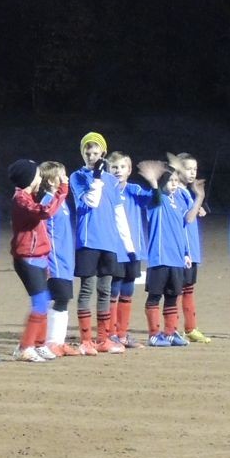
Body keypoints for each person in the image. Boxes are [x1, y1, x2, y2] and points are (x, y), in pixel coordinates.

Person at [69, 131, 125, 357]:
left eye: (95, 152)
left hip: (109, 241)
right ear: (82, 154)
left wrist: (126, 245)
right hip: (88, 240)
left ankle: (103, 338)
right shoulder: (78, 177)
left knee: (105, 290)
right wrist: (97, 178)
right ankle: (85, 340)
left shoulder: (112, 180)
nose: (91, 156)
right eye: (87, 152)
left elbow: (118, 212)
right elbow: (91, 201)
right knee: (87, 288)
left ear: (104, 152)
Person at [8, 158, 67, 362]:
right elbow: (46, 212)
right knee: (40, 302)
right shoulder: (21, 199)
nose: (40, 177)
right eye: (36, 174)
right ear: (28, 178)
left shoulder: (29, 196)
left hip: (39, 255)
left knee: (44, 301)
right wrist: (62, 190)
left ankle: (39, 344)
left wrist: (52, 192)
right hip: (27, 257)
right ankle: (25, 347)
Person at [134, 161, 192, 346]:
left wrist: (185, 253)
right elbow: (156, 197)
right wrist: (154, 182)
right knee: (155, 296)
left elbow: (182, 229)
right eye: (170, 180)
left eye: (176, 180)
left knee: (173, 297)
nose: (174, 183)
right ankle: (153, 334)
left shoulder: (178, 202)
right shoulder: (157, 200)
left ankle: (170, 332)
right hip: (159, 258)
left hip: (176, 259)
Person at [40, 160, 78, 357]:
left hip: (65, 259)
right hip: (54, 260)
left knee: (64, 299)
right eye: (62, 175)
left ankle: (59, 341)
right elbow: (42, 232)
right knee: (59, 298)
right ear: (51, 180)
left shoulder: (60, 201)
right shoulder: (47, 202)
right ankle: (51, 341)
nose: (66, 178)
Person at [107, 152, 145, 350]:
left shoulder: (135, 190)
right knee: (113, 290)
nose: (118, 171)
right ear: (108, 170)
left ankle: (122, 334)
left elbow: (154, 199)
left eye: (122, 167)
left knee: (128, 291)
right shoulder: (106, 191)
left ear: (129, 170)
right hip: (114, 250)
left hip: (132, 250)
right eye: (114, 167)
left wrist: (156, 182)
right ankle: (110, 334)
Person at [172, 152, 211, 343]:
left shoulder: (185, 192)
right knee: (178, 291)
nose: (193, 173)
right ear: (178, 170)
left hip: (192, 251)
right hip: (182, 252)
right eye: (188, 169)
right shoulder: (176, 192)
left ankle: (190, 328)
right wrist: (199, 198)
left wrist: (197, 207)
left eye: (195, 169)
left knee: (188, 290)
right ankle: (174, 329)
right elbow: (187, 218)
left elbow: (190, 214)